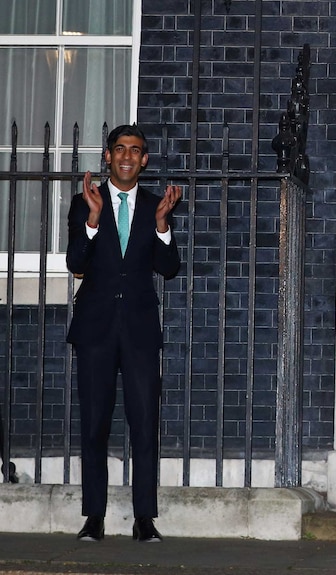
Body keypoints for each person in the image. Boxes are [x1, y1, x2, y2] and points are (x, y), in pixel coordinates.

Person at [66, 124, 181, 542]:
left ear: (144, 159)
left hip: (139, 330)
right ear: (109, 157)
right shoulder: (84, 203)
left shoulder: (155, 205)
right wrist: (93, 221)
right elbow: (75, 260)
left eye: (136, 150)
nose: (128, 156)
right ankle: (93, 517)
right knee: (94, 424)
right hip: (95, 329)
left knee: (145, 423)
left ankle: (144, 519)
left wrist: (164, 227)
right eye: (120, 149)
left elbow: (169, 268)